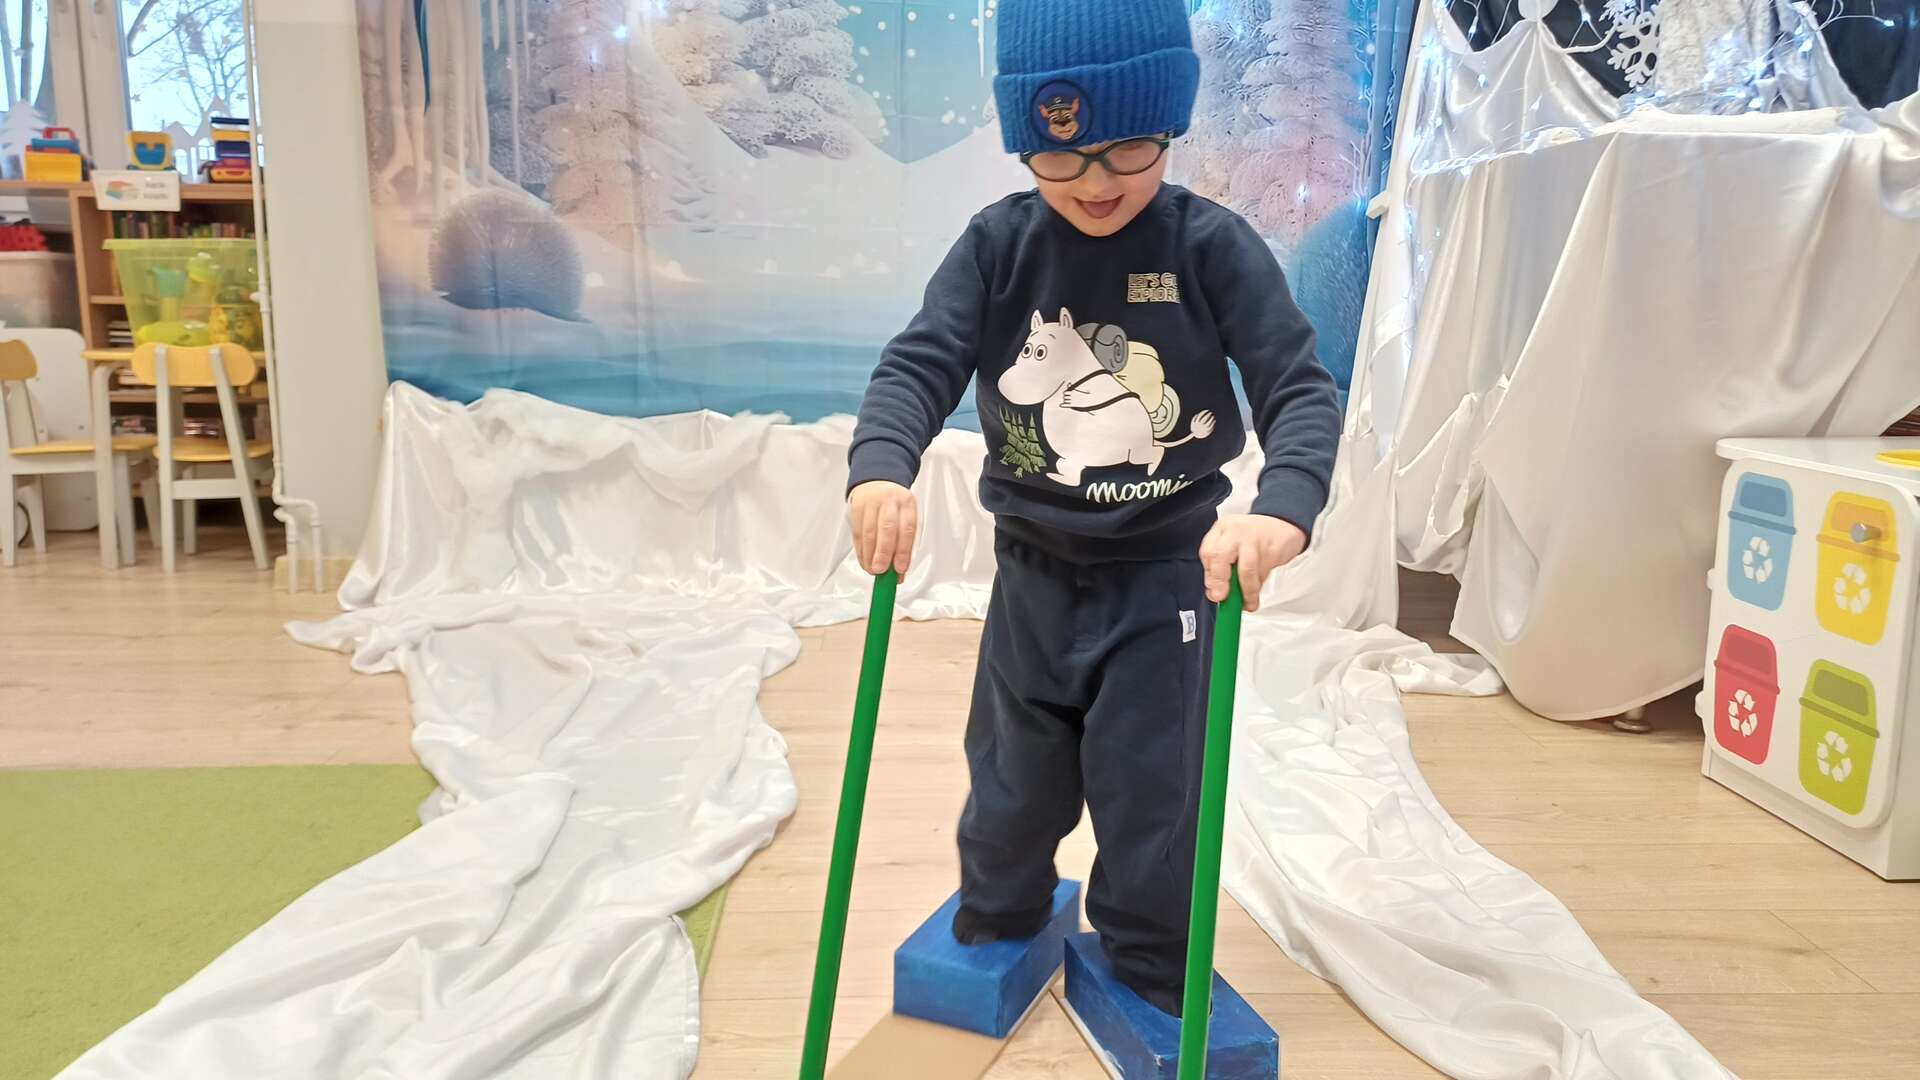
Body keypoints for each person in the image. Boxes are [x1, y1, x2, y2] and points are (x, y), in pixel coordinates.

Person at [845, 0, 1341, 1017]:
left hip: (1170, 580)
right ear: (1024, 140)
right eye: (1060, 156)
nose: (1097, 183)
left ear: (1171, 123)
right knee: (1010, 777)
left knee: (1152, 789)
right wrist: (881, 468)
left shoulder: (1211, 246)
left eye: (1130, 149)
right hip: (1030, 573)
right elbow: (919, 362)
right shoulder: (998, 245)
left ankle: (1150, 961)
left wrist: (1283, 506)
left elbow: (1298, 386)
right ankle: (1001, 915)